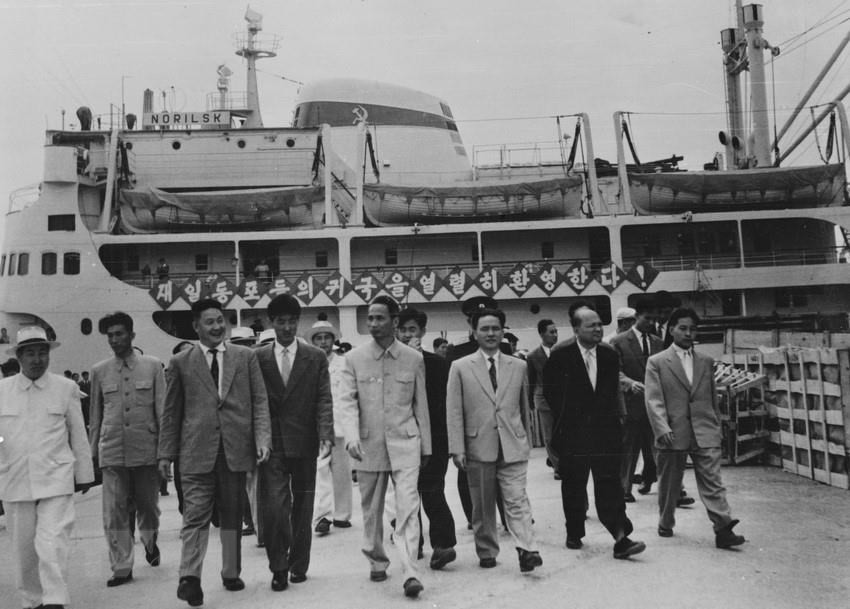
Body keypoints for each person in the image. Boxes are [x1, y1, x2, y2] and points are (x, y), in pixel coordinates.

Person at [158, 298, 272, 607]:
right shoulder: (181, 363)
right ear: (196, 327)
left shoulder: (245, 357)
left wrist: (263, 439)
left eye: (220, 320)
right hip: (195, 451)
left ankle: (231, 570)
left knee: (232, 515)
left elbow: (260, 402)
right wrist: (165, 454)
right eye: (209, 322)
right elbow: (171, 412)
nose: (217, 326)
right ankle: (189, 578)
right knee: (195, 516)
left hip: (235, 450)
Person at [337, 295, 431, 599]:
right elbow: (347, 402)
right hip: (367, 445)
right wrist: (351, 437)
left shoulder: (413, 358)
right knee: (372, 510)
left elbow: (421, 406)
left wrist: (425, 446)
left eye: (379, 318)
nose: (373, 324)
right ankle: (377, 559)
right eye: (370, 318)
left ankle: (410, 571)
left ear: (395, 321)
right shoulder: (354, 359)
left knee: (407, 509)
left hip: (406, 442)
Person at [0, 326, 95, 609]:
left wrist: (85, 474)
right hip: (15, 478)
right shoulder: (2, 391)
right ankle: (33, 601)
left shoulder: (66, 388)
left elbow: (78, 433)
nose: (37, 359)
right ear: (19, 356)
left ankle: (54, 601)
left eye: (42, 353)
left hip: (56, 477)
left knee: (52, 543)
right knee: (24, 550)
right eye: (30, 353)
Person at [542, 303, 646, 559]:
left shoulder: (610, 355)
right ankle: (574, 531)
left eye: (600, 324)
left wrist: (617, 421)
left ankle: (621, 536)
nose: (598, 329)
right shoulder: (560, 355)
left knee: (609, 484)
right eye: (591, 325)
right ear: (577, 329)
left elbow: (612, 393)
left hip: (605, 433)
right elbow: (551, 393)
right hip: (573, 434)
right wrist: (566, 422)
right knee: (574, 485)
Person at [447, 307, 542, 573]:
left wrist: (525, 440)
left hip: (512, 444)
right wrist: (457, 448)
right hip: (477, 445)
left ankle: (527, 548)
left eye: (496, 328)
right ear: (474, 332)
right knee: (483, 504)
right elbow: (454, 411)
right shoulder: (460, 367)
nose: (491, 333)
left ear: (503, 331)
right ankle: (487, 550)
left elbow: (523, 408)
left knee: (517, 500)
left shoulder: (519, 366)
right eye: (485, 329)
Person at [644, 308, 746, 548]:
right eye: (683, 328)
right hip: (672, 432)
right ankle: (665, 521)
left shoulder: (706, 361)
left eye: (692, 328)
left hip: (704, 430)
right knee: (669, 484)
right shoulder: (657, 362)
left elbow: (711, 397)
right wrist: (661, 427)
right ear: (672, 330)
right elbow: (653, 399)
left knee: (713, 481)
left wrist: (715, 426)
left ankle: (723, 528)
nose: (689, 333)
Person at [255, 295, 333, 591]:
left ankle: (299, 563)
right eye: (280, 322)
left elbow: (324, 398)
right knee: (274, 507)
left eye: (291, 322)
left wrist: (325, 433)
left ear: (297, 322)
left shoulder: (315, 356)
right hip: (271, 443)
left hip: (305, 440)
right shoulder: (258, 357)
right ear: (271, 323)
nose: (286, 328)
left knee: (303, 506)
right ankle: (278, 565)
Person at [89, 312, 166, 587]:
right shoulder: (99, 371)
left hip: (146, 449)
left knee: (148, 506)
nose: (114, 340)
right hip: (112, 450)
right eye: (110, 335)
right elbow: (95, 416)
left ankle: (150, 540)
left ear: (132, 335)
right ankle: (122, 565)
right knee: (114, 511)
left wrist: (165, 452)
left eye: (119, 334)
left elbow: (161, 410)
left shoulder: (153, 366)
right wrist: (92, 455)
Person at [396, 307, 457, 570]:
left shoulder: (438, 364)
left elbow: (447, 404)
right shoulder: (392, 362)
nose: (408, 334)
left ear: (422, 332)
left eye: (413, 329)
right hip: (402, 438)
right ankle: (414, 543)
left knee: (433, 490)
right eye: (403, 329)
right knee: (407, 495)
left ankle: (443, 545)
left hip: (436, 438)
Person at [446, 296, 512, 529]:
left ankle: (508, 517)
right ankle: (474, 518)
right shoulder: (456, 352)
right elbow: (454, 397)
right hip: (473, 424)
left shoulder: (505, 348)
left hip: (500, 422)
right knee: (469, 477)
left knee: (505, 473)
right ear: (470, 324)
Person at [610, 298, 661, 502]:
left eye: (654, 320)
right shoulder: (619, 341)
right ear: (636, 317)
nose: (651, 323)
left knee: (659, 449)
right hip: (631, 404)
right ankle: (624, 489)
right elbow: (615, 371)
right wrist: (629, 383)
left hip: (656, 405)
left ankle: (671, 489)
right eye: (647, 318)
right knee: (629, 448)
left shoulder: (658, 342)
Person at [308, 317, 354, 535]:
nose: (323, 342)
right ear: (313, 341)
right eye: (319, 338)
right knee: (320, 471)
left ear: (333, 340)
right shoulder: (308, 363)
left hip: (341, 424)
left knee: (342, 472)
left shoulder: (344, 363)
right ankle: (322, 516)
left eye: (327, 337)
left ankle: (343, 515)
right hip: (317, 426)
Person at [526, 318, 559, 478]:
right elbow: (531, 380)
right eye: (551, 332)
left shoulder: (563, 351)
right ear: (542, 334)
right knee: (549, 434)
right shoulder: (533, 356)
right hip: (544, 399)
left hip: (563, 399)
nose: (555, 335)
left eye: (556, 331)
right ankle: (558, 467)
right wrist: (530, 402)